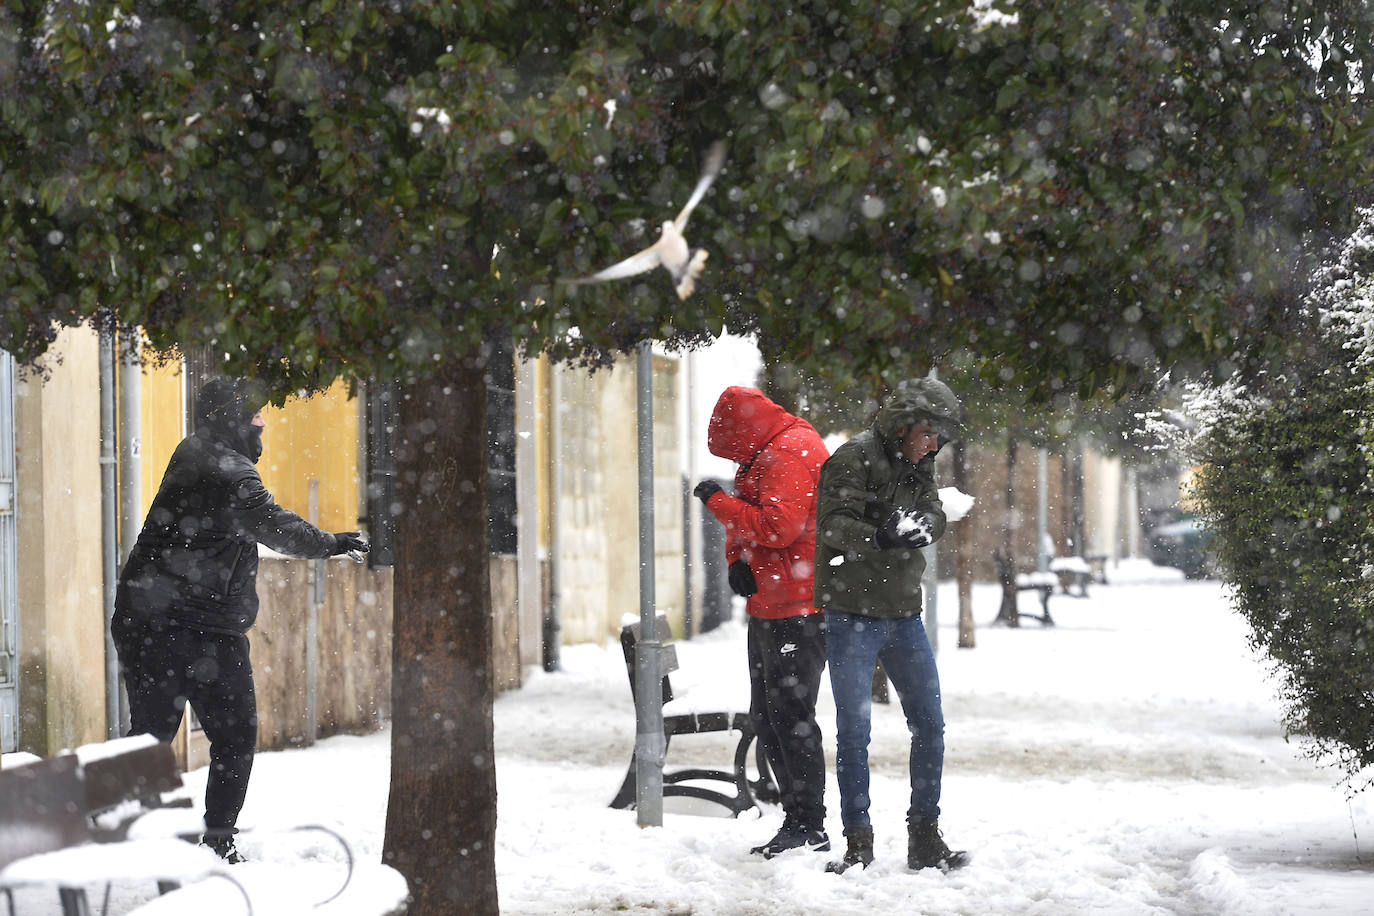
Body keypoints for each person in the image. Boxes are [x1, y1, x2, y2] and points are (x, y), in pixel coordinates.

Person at [112, 377, 368, 863]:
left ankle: (126, 828)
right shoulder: (229, 471)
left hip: (154, 618)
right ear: (232, 418)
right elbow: (275, 526)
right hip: (190, 627)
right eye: (255, 416)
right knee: (226, 736)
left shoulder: (197, 451)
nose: (264, 423)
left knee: (152, 736)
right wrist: (331, 543)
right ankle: (209, 841)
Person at [812, 377, 969, 874]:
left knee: (930, 725)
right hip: (852, 614)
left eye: (941, 437)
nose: (934, 445)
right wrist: (881, 535)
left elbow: (936, 512)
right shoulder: (851, 457)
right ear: (903, 426)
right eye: (928, 434)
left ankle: (924, 836)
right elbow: (832, 525)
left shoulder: (921, 463)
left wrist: (928, 526)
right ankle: (857, 842)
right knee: (854, 731)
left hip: (904, 614)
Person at [693, 386, 831, 857]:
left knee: (791, 716)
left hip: (799, 606)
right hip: (772, 602)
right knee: (769, 716)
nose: (734, 459)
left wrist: (716, 503)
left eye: (733, 447)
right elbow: (750, 516)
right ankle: (796, 814)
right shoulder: (763, 453)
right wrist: (738, 559)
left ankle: (808, 823)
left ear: (744, 430)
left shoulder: (788, 453)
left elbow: (778, 526)